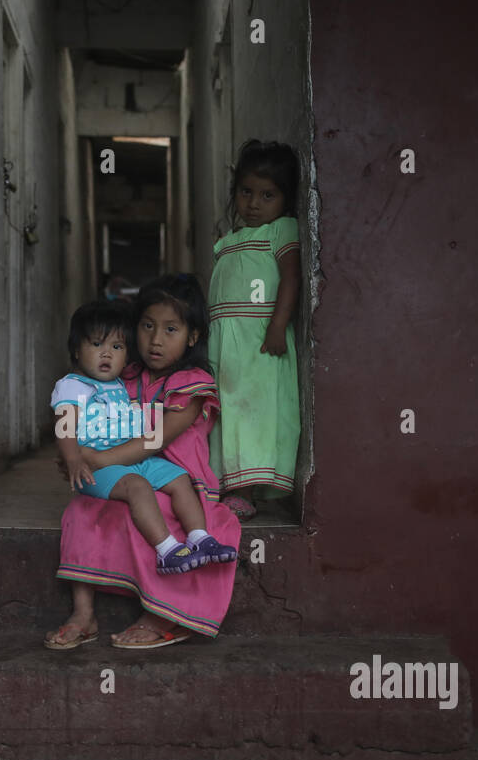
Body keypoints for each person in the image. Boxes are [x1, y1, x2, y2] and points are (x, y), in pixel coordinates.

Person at [46, 275, 240, 651]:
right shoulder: (124, 376)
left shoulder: (192, 384)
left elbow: (156, 440)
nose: (155, 339)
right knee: (82, 511)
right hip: (128, 474)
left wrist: (97, 458)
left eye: (171, 329)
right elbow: (82, 421)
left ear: (193, 336)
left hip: (180, 478)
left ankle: (164, 614)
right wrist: (74, 455)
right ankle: (84, 614)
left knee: (164, 517)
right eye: (147, 326)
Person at [50, 299, 230, 577]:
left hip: (133, 460)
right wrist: (73, 458)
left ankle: (199, 538)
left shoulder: (121, 383)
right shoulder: (73, 386)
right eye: (97, 345)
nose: (107, 354)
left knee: (179, 478)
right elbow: (64, 425)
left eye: (117, 347)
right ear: (76, 350)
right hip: (100, 470)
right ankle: (168, 550)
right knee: (138, 487)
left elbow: (150, 433)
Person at [207, 139, 302, 522]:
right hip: (223, 345)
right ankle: (220, 481)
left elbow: (291, 278)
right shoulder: (226, 241)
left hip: (258, 343)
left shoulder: (281, 230)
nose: (254, 203)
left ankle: (245, 490)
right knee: (222, 412)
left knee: (252, 413)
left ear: (284, 199)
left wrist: (278, 326)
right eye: (246, 192)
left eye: (268, 195)